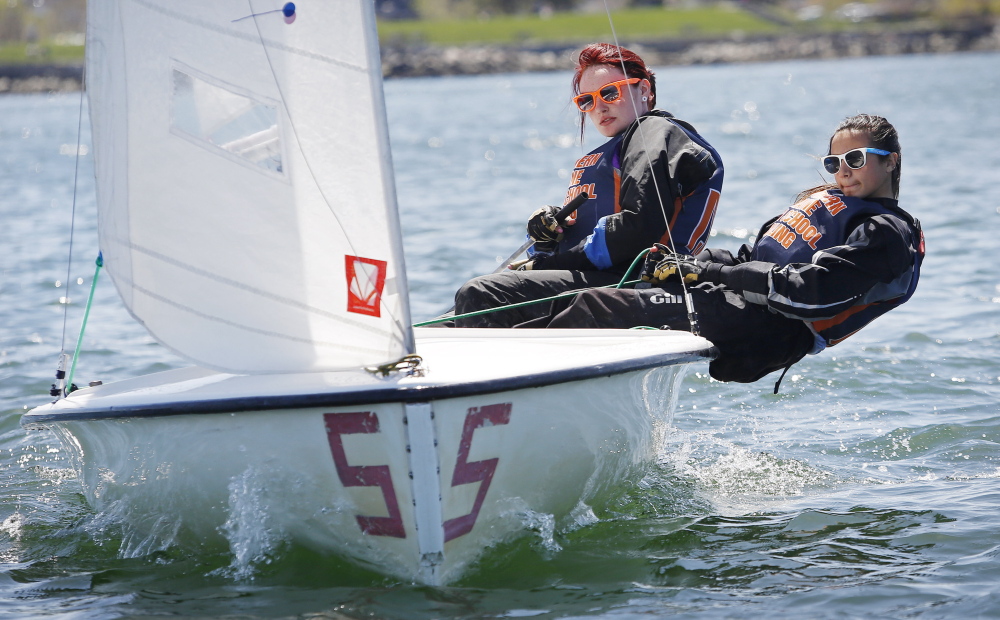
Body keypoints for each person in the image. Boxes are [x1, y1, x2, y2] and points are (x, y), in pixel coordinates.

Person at [522, 114, 924, 388]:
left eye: (855, 159)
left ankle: (524, 390)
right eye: (834, 161)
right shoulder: (830, 202)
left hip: (774, 328)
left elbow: (810, 290)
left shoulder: (887, 232)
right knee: (575, 298)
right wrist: (687, 263)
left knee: (596, 309)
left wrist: (707, 274)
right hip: (738, 300)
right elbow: (753, 260)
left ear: (891, 163)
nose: (842, 171)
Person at [452, 43, 724, 328]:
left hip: (634, 284)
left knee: (481, 293)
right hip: (599, 281)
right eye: (587, 101)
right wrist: (550, 232)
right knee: (442, 326)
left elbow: (639, 227)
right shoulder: (622, 146)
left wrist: (550, 265)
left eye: (610, 93)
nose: (599, 107)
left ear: (644, 90)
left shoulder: (653, 133)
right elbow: (603, 220)